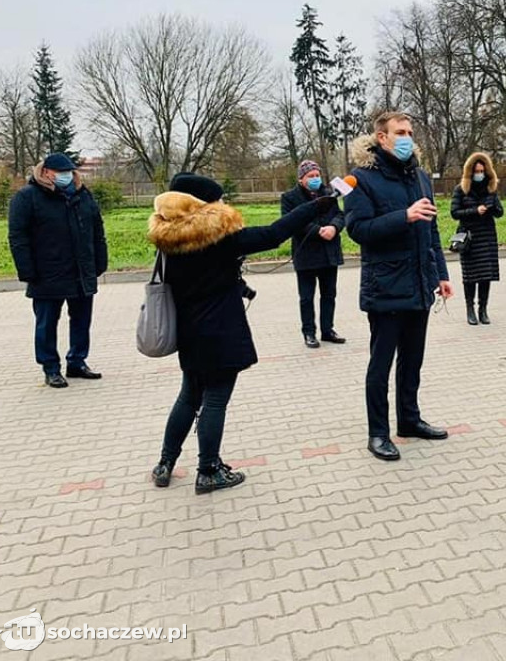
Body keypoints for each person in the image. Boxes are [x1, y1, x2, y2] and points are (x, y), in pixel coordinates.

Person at [148, 172, 334, 493]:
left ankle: (165, 463)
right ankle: (208, 470)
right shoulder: (219, 239)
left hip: (189, 331)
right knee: (215, 400)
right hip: (222, 331)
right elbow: (274, 234)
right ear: (203, 207)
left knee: (188, 397)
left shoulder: (167, 240)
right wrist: (316, 206)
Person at [344, 112, 453, 461]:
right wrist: (402, 216)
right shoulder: (362, 179)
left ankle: (409, 419)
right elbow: (358, 229)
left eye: (410, 132)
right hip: (386, 286)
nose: (407, 137)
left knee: (413, 359)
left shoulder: (421, 176)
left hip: (419, 284)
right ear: (382, 137)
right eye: (400, 132)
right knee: (381, 363)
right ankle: (378, 433)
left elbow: (431, 229)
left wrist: (441, 274)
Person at [8, 152, 108, 388]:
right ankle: (50, 367)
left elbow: (97, 229)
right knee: (46, 323)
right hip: (46, 273)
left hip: (81, 271)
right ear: (45, 172)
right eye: (60, 172)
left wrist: (100, 261)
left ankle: (77, 361)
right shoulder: (27, 197)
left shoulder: (82, 195)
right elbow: (18, 237)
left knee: (82, 320)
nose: (67, 176)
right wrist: (27, 270)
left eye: (70, 171)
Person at [281, 159, 347, 347]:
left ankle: (328, 330)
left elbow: (340, 215)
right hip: (306, 254)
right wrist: (318, 231)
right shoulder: (289, 197)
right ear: (301, 179)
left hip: (329, 252)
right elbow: (290, 221)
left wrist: (334, 227)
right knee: (306, 297)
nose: (315, 179)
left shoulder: (329, 193)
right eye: (311, 176)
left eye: (317, 175)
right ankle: (309, 332)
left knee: (329, 295)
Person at [450, 152, 504, 325]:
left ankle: (483, 309)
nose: (479, 174)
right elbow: (454, 212)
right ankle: (470, 309)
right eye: (476, 171)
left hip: (487, 235)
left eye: (482, 171)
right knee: (470, 276)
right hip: (469, 237)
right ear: (470, 172)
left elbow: (500, 212)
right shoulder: (461, 189)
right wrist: (475, 210)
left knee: (485, 275)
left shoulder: (491, 188)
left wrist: (493, 206)